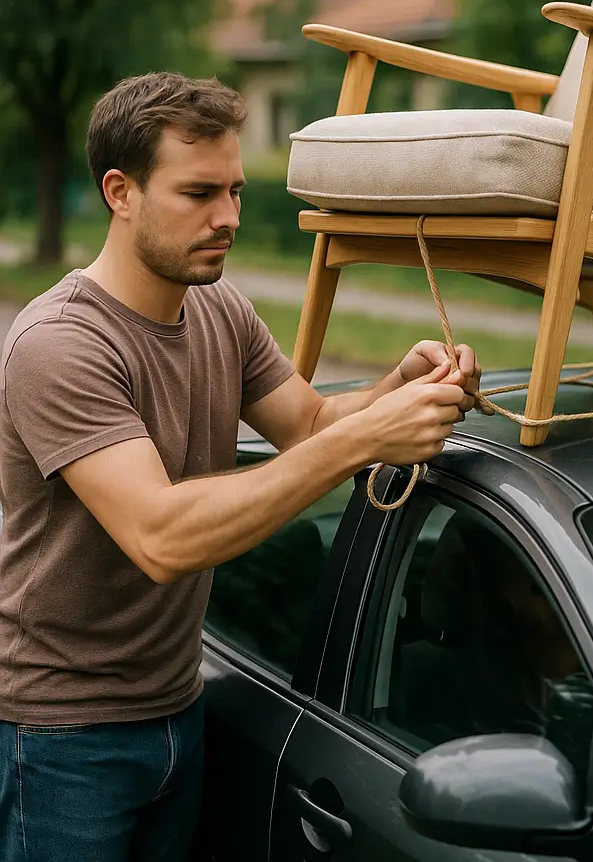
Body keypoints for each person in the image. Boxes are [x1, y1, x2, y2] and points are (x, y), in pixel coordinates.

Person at [0, 72, 480, 861]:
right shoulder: (60, 344)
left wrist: (399, 387)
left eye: (235, 191)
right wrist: (367, 441)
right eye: (199, 193)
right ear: (120, 192)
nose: (227, 218)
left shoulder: (219, 307)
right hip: (61, 735)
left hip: (178, 706)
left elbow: (310, 422)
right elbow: (161, 538)